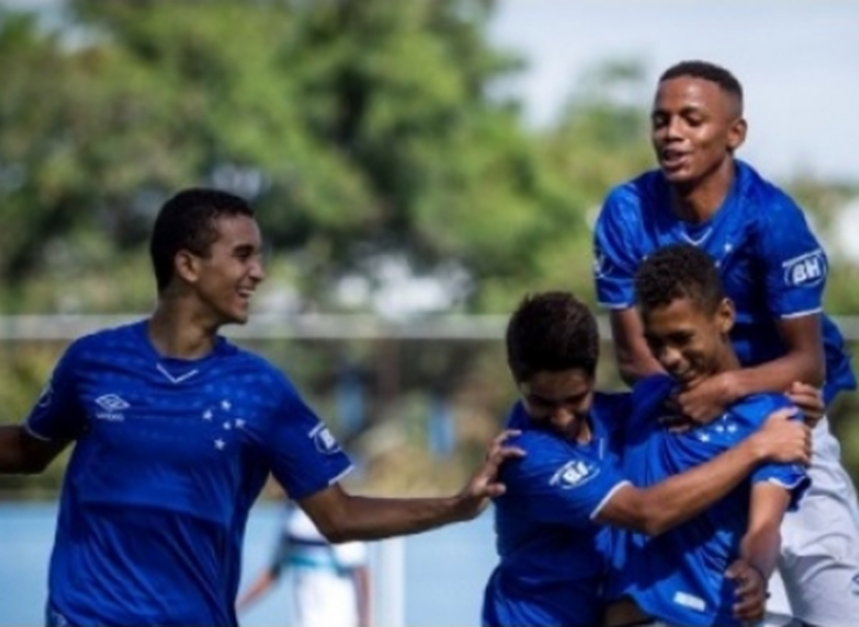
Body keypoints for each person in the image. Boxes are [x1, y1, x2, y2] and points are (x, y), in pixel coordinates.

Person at [0, 188, 521, 626]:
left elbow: (337, 516)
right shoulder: (94, 361)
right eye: (243, 254)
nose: (259, 272)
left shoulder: (261, 391)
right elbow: (26, 449)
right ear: (187, 264)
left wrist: (455, 506)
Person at [593, 59, 859, 626]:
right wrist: (695, 416)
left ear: (734, 134)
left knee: (837, 608)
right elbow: (632, 355)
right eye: (661, 119)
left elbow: (807, 361)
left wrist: (726, 393)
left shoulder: (773, 219)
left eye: (692, 119)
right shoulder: (625, 211)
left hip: (784, 413)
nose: (672, 133)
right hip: (680, 415)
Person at [484, 291, 823, 627]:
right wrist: (758, 447)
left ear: (592, 376)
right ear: (518, 382)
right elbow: (647, 513)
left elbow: (701, 399)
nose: (561, 418)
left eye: (575, 398)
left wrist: (790, 404)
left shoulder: (619, 414)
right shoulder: (526, 454)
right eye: (542, 403)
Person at [603, 244, 812, 627]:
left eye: (683, 338)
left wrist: (756, 571)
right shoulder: (645, 399)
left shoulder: (772, 421)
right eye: (656, 343)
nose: (670, 357)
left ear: (725, 316)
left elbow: (765, 527)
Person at [237, 504, 370, 627]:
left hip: (339, 620)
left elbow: (361, 571)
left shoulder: (334, 517)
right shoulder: (291, 521)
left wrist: (365, 621)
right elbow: (273, 572)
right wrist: (237, 607)